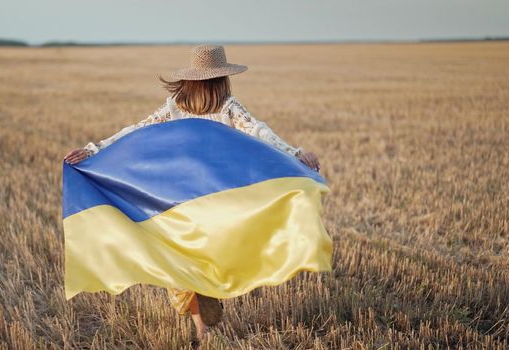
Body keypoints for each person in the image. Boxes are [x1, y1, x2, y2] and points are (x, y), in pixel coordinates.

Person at [64, 44, 321, 343]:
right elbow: (261, 133)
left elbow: (135, 132)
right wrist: (295, 153)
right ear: (222, 79)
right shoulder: (225, 108)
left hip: (177, 197)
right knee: (203, 258)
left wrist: (95, 150)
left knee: (179, 260)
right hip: (215, 198)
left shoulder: (183, 106)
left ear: (192, 79)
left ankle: (201, 318)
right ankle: (204, 313)